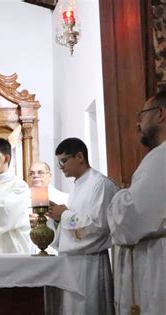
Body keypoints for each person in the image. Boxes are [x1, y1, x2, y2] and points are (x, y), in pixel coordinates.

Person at [107, 91, 166, 315]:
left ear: (160, 114)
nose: (138, 122)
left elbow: (130, 221)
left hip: (158, 267)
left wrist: (119, 196)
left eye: (142, 114)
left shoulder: (161, 157)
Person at [47, 137, 118, 315]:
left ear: (79, 156)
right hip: (73, 263)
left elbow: (99, 226)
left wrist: (63, 215)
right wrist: (57, 219)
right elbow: (74, 222)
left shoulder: (99, 184)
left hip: (91, 263)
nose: (61, 167)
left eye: (63, 160)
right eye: (58, 163)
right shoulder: (78, 187)